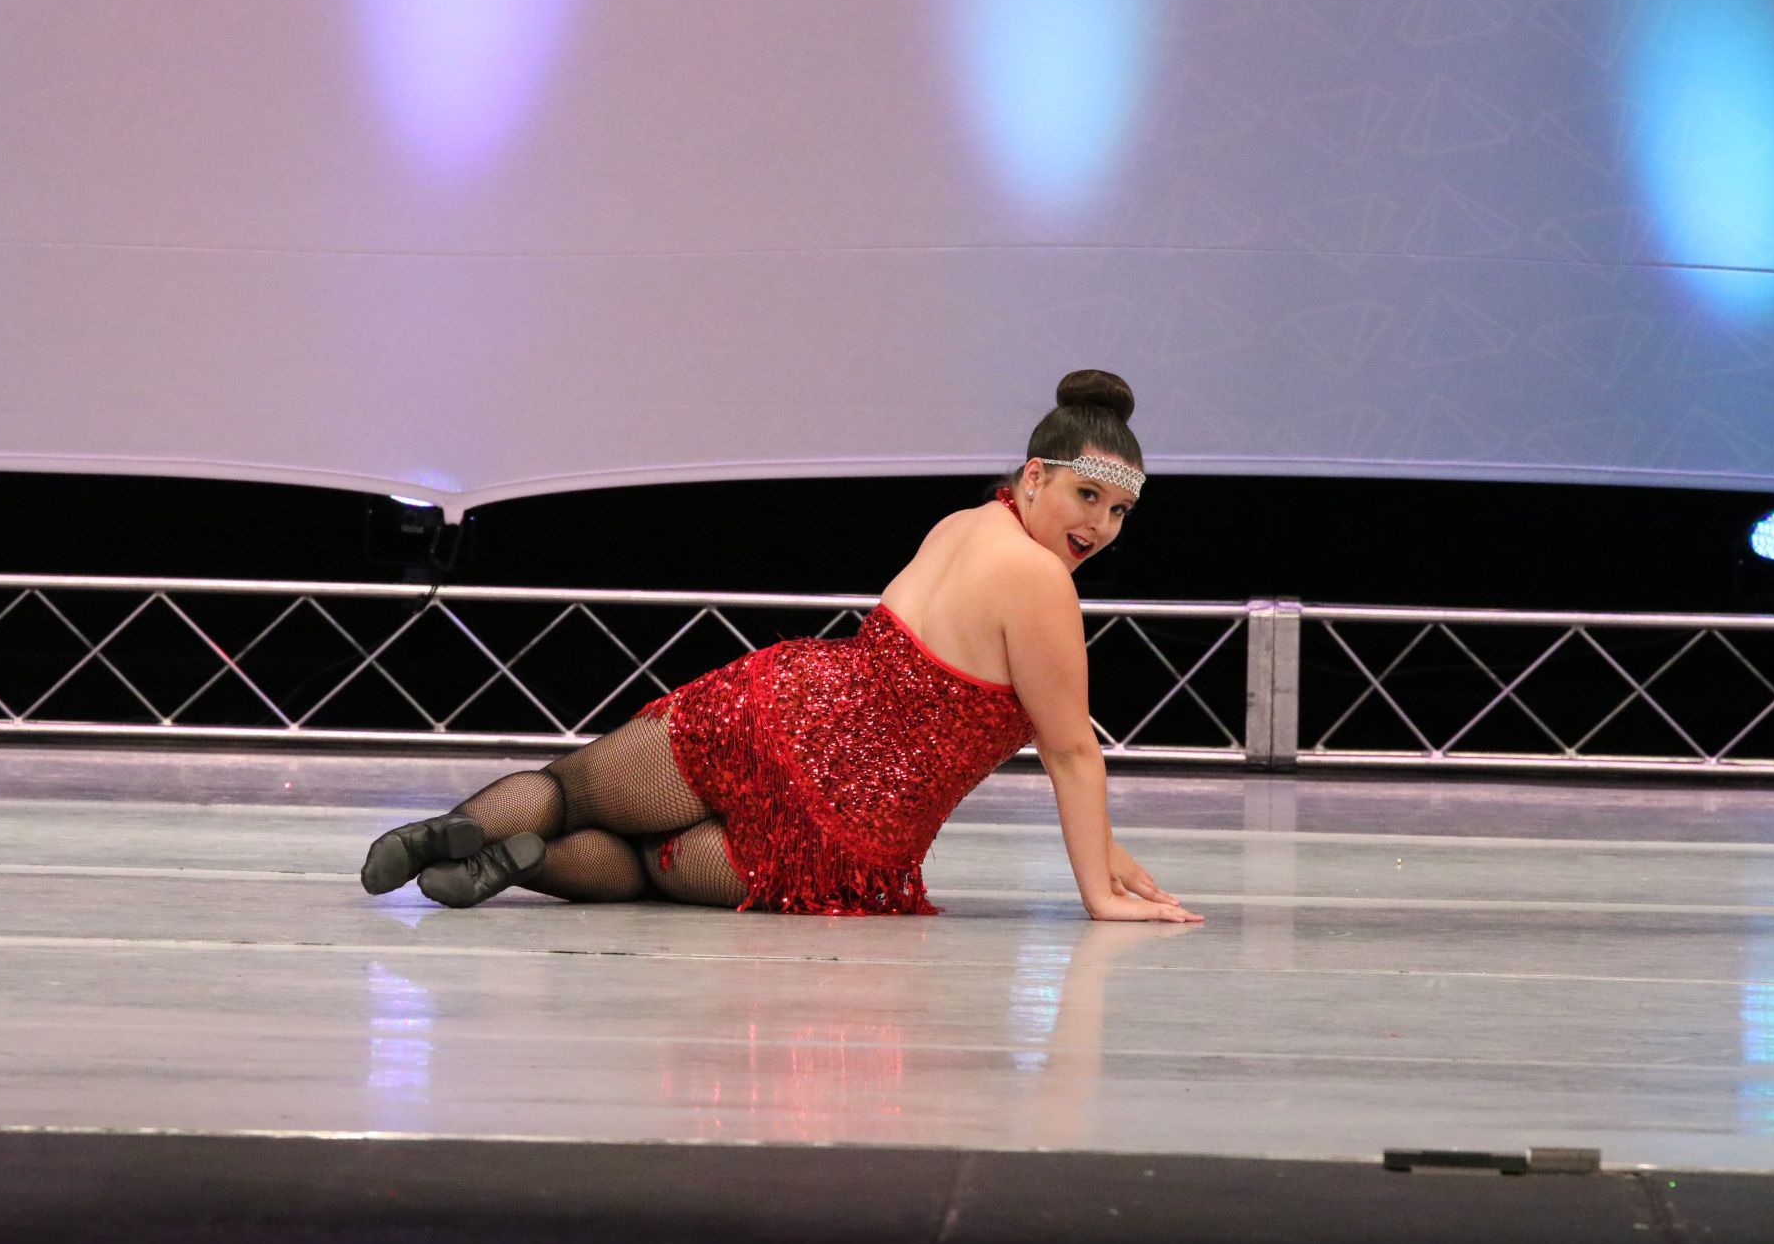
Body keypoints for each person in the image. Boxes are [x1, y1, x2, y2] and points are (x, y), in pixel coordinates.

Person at [360, 370, 1201, 924]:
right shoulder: (1042, 582)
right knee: (652, 870)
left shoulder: (965, 526)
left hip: (768, 708)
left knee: (568, 789)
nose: (1099, 524)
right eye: (1087, 495)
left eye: (1120, 511)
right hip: (836, 830)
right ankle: (524, 859)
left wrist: (1109, 852)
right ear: (1034, 477)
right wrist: (1098, 894)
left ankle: (451, 834)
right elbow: (1071, 751)